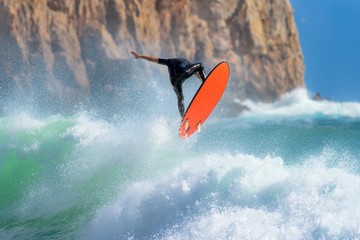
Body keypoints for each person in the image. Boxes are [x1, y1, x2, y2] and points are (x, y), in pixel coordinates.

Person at [130, 51, 206, 118]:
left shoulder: (169, 61)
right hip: (182, 73)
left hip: (173, 81)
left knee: (180, 99)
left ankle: (183, 117)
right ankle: (205, 82)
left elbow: (153, 59)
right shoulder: (187, 62)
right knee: (199, 65)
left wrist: (140, 56)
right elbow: (196, 71)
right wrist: (201, 79)